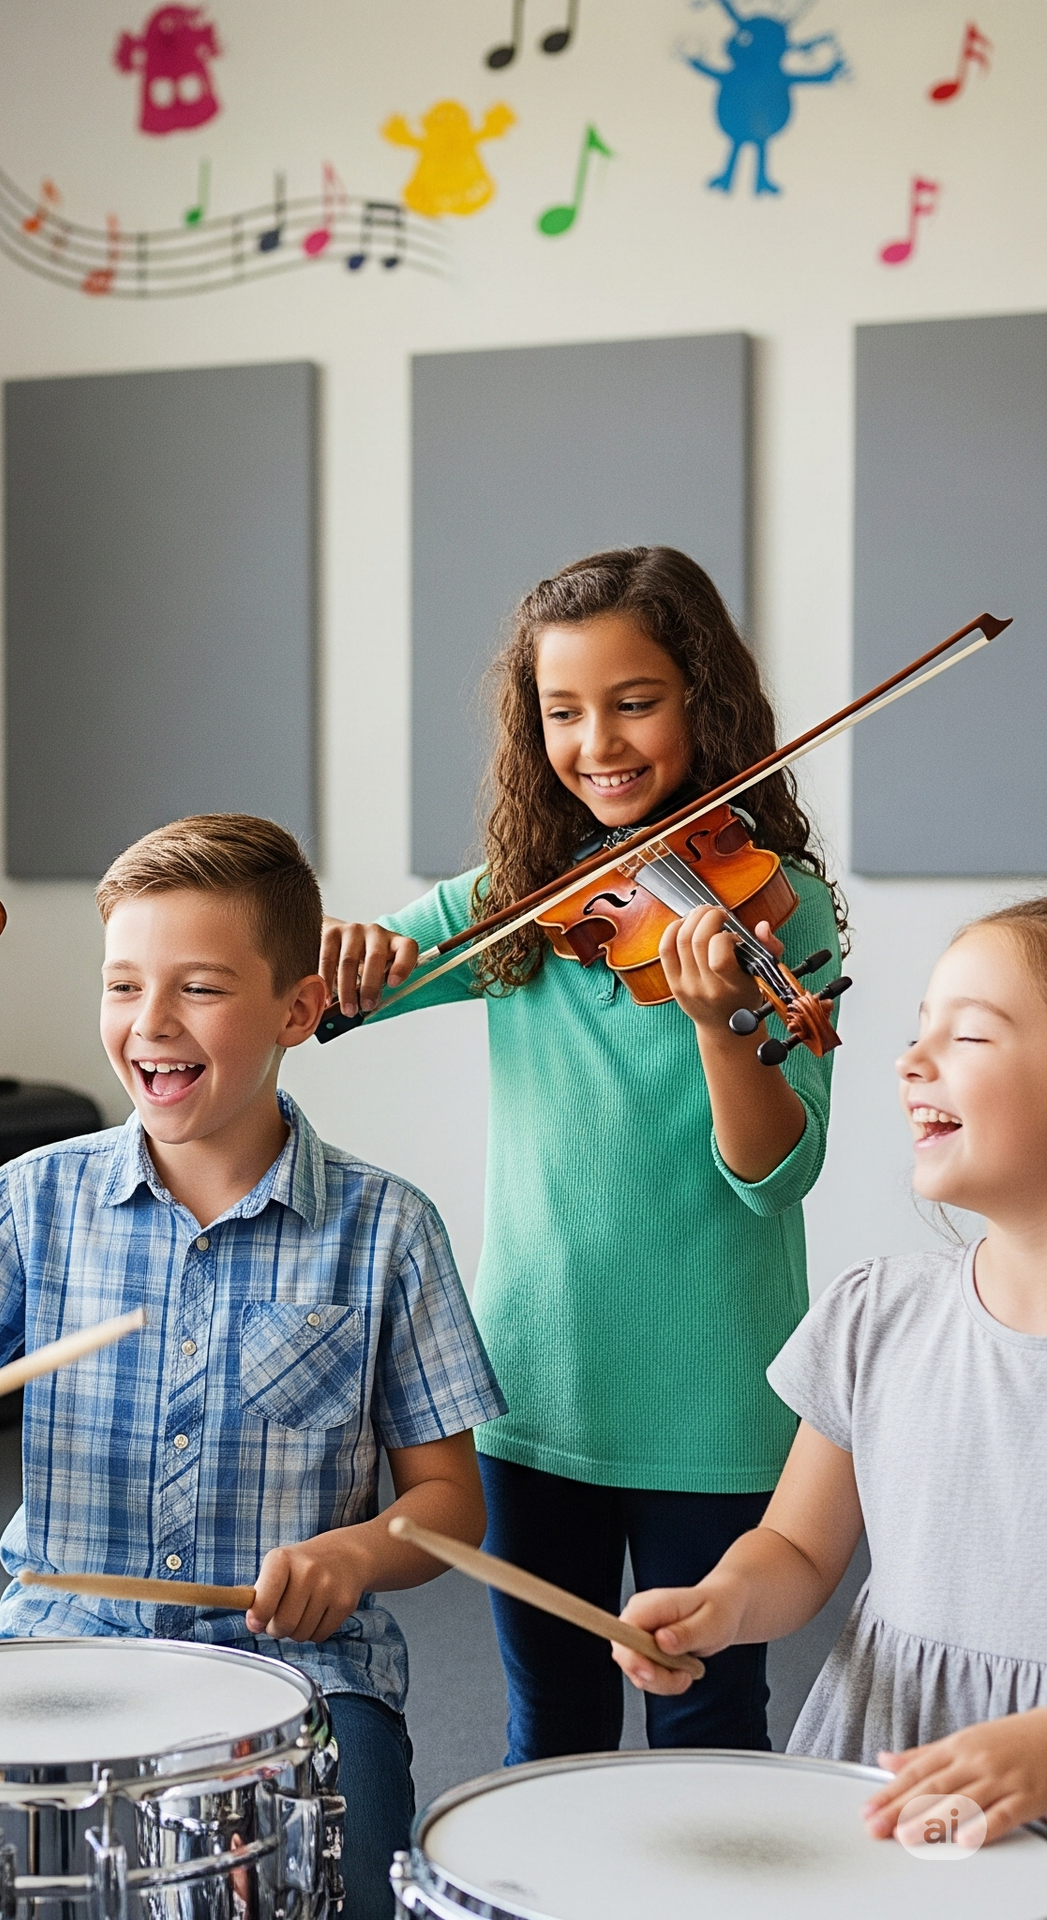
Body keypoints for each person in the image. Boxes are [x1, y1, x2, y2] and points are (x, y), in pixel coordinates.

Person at [0, 813, 507, 1920]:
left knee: (360, 1873)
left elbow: (450, 1502)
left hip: (304, 1678)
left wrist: (356, 1553)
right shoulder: (34, 1198)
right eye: (123, 986)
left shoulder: (388, 1229)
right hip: (60, 1652)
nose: (151, 1023)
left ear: (297, 1009)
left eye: (200, 988)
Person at [318, 547, 845, 1764]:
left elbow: (776, 1172)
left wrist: (720, 1023)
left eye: (634, 702)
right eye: (563, 712)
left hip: (715, 1396)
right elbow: (330, 995)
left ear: (705, 702)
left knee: (706, 1725)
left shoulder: (776, 907)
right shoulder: (521, 899)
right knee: (550, 1726)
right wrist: (339, 960)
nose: (597, 742)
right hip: (535, 1388)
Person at [613, 897, 1047, 1845]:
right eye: (919, 1030)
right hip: (883, 1769)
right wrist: (723, 1600)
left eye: (969, 1035)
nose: (911, 1061)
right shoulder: (876, 1314)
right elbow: (799, 1550)